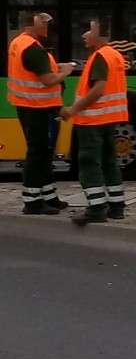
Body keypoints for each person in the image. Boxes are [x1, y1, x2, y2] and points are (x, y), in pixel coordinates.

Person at [61, 19, 128, 225]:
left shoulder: (99, 56)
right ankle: (116, 206)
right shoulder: (114, 55)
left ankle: (97, 208)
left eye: (88, 32)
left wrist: (73, 109)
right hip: (109, 118)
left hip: (93, 119)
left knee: (90, 163)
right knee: (109, 161)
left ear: (99, 35)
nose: (83, 36)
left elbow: (98, 89)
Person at [7, 12, 74, 215]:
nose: (47, 29)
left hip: (30, 106)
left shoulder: (18, 43)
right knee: (39, 152)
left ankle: (49, 196)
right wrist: (64, 71)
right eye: (44, 24)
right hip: (40, 108)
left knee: (44, 152)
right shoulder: (33, 49)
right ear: (33, 25)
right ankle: (32, 200)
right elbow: (47, 80)